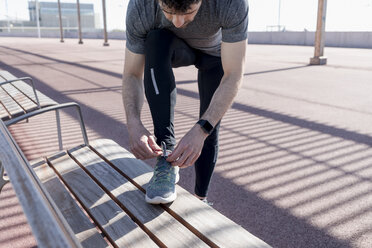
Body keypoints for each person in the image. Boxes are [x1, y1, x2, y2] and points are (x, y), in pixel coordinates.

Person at [122, 0, 248, 204]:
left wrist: (202, 129)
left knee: (209, 125)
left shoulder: (231, 3)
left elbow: (234, 74)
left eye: (188, 12)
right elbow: (132, 74)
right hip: (174, 48)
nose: (178, 23)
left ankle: (201, 198)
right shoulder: (141, 6)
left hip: (215, 57)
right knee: (156, 38)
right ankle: (166, 154)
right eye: (168, 13)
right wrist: (133, 123)